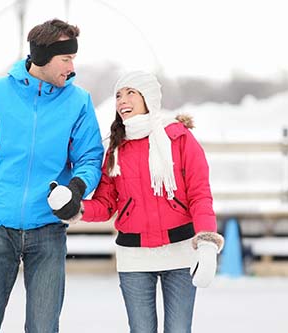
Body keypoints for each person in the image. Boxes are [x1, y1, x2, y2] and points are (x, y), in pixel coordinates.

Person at [0, 19, 104, 333]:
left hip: (48, 229)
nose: (72, 67)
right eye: (66, 58)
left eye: (73, 58)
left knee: (44, 328)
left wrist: (77, 187)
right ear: (42, 57)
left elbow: (90, 158)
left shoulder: (78, 102)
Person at [80, 71, 224, 333]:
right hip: (134, 257)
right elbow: (105, 205)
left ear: (148, 97)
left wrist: (206, 242)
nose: (122, 100)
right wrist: (77, 210)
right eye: (118, 95)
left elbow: (200, 193)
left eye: (130, 93)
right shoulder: (115, 148)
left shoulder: (179, 138)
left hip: (179, 250)